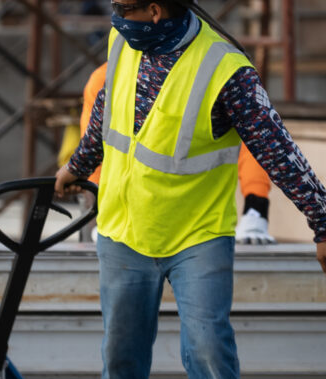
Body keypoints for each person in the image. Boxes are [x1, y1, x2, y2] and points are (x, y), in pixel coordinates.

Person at [54, 0, 326, 379]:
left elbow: (278, 151)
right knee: (120, 362)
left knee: (210, 354)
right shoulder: (124, 41)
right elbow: (107, 116)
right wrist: (77, 167)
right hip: (125, 233)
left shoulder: (224, 71)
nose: (113, 14)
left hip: (197, 237)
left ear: (154, 10)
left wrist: (325, 227)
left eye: (121, 6)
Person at [81, 67, 277, 245]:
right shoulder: (105, 78)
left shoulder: (213, 70)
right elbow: (94, 145)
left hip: (200, 221)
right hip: (127, 217)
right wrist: (100, 209)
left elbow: (251, 139)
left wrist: (256, 203)